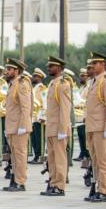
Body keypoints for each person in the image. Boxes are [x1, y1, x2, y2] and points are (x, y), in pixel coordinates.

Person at [84, 52, 106, 202]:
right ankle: (97, 187)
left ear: (103, 65)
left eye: (95, 63)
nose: (92, 66)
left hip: (101, 127)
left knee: (103, 160)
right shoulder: (94, 81)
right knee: (95, 160)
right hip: (92, 126)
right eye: (92, 64)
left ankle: (103, 191)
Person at [41, 56, 72, 196]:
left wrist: (63, 129)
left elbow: (65, 109)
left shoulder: (63, 84)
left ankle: (60, 186)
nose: (49, 68)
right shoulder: (53, 84)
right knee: (52, 159)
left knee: (59, 159)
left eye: (52, 66)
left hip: (59, 128)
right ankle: (53, 183)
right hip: (51, 127)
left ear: (59, 68)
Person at [3, 58, 32, 192]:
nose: (6, 72)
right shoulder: (13, 84)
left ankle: (20, 182)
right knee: (14, 156)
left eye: (9, 69)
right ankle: (15, 180)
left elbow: (25, 107)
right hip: (12, 126)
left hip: (19, 126)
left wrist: (23, 126)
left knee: (20, 155)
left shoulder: (22, 84)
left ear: (16, 71)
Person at [30, 68, 47, 164]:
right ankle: (36, 155)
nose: (33, 78)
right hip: (33, 117)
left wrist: (43, 116)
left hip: (39, 117)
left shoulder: (42, 89)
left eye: (35, 76)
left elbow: (45, 103)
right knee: (34, 138)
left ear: (39, 77)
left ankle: (40, 156)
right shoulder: (34, 88)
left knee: (39, 138)